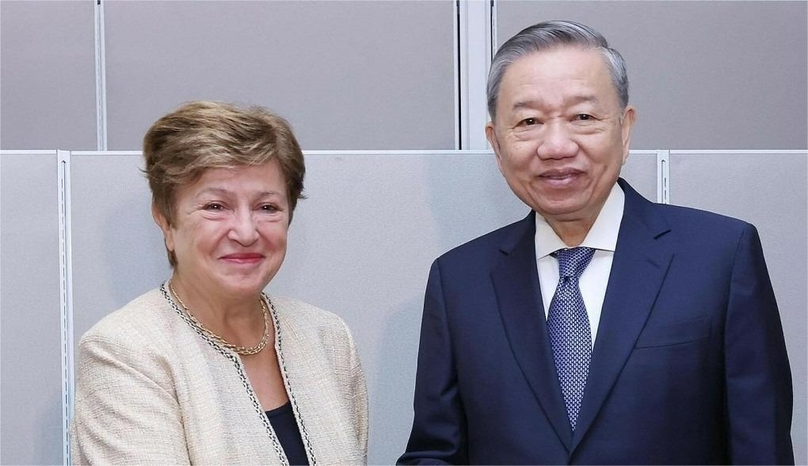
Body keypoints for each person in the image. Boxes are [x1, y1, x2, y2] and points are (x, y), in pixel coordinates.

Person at [399, 20, 793, 464]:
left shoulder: (721, 257)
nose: (556, 145)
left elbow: (761, 449)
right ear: (496, 142)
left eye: (582, 117)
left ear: (624, 130)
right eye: (529, 121)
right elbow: (435, 452)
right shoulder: (459, 281)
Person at [71, 101, 367, 464]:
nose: (246, 232)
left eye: (267, 207)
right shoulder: (125, 351)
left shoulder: (327, 338)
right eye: (216, 206)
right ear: (166, 220)